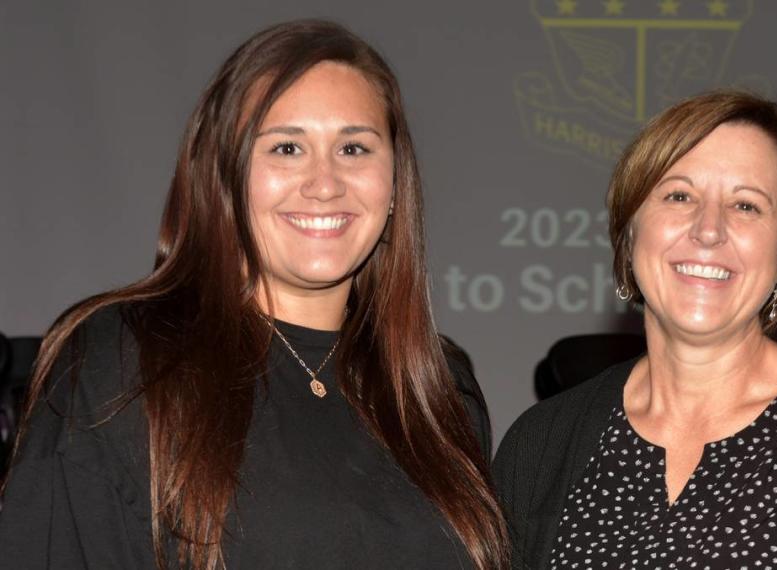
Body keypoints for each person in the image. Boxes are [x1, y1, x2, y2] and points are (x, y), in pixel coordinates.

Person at [0, 19, 509, 570]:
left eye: (355, 148)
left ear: (393, 186)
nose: (324, 183)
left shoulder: (436, 385)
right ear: (223, 177)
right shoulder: (122, 361)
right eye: (287, 147)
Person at [493, 90, 777, 569]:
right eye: (679, 195)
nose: (708, 229)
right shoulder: (540, 445)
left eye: (746, 206)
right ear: (630, 233)